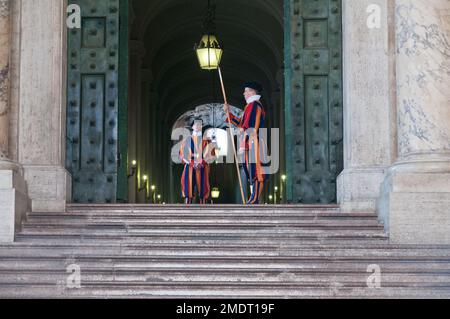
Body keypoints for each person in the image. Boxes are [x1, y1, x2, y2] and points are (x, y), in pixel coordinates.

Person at [223, 81, 267, 205]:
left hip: (253, 142)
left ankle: (254, 199)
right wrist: (228, 113)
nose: (244, 93)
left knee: (256, 171)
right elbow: (242, 123)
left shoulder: (254, 105)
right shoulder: (249, 106)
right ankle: (253, 198)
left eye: (246, 90)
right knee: (251, 171)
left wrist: (242, 131)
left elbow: (250, 125)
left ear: (253, 91)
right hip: (250, 142)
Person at [179, 119, 216, 204]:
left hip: (202, 166)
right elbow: (183, 154)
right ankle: (188, 206)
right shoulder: (186, 140)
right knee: (188, 186)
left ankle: (203, 206)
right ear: (192, 126)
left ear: (202, 126)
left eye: (200, 124)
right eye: (196, 124)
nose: (198, 126)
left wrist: (201, 162)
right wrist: (192, 163)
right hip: (190, 166)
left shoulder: (207, 140)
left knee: (203, 187)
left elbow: (211, 155)